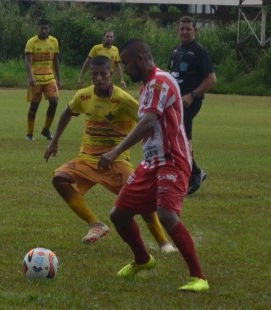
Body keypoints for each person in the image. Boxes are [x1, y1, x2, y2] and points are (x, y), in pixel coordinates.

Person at [98, 39, 209, 292]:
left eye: (126, 63)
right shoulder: (147, 85)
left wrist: (115, 151)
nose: (124, 69)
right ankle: (142, 259)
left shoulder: (160, 81)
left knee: (167, 215)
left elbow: (148, 122)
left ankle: (198, 277)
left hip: (172, 160)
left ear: (139, 59)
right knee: (119, 215)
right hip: (151, 163)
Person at [44, 55, 176, 253]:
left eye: (103, 74)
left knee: (144, 203)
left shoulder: (123, 100)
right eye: (94, 75)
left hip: (116, 161)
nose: (98, 79)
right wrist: (54, 142)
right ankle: (95, 224)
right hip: (87, 159)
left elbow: (146, 124)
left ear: (111, 74)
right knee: (60, 179)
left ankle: (164, 243)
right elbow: (67, 112)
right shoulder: (84, 96)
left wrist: (117, 152)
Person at [167, 16, 217, 195]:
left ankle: (194, 174)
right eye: (182, 29)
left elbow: (211, 79)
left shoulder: (199, 52)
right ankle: (189, 173)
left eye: (189, 29)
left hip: (189, 102)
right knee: (175, 138)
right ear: (177, 30)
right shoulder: (175, 50)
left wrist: (192, 95)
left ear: (196, 31)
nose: (185, 32)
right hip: (174, 101)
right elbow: (173, 75)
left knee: (182, 138)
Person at [24, 18, 62, 141]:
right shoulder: (32, 42)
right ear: (38, 28)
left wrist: (58, 78)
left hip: (50, 77)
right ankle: (29, 134)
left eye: (46, 28)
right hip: (36, 79)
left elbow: (55, 61)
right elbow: (28, 62)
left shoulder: (54, 41)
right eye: (42, 28)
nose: (44, 30)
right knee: (34, 106)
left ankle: (46, 130)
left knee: (54, 101)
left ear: (49, 29)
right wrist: (30, 78)